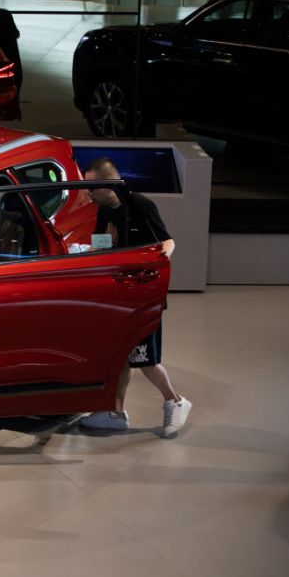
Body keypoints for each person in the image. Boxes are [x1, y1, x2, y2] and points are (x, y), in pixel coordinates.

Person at [79, 157, 192, 438]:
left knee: (146, 359)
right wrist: (94, 249)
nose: (87, 193)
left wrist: (154, 265)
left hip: (143, 297)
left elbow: (168, 241)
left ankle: (175, 401)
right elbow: (101, 248)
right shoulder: (105, 212)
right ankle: (115, 412)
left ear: (107, 184)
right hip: (120, 297)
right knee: (121, 358)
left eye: (91, 187)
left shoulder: (140, 205)